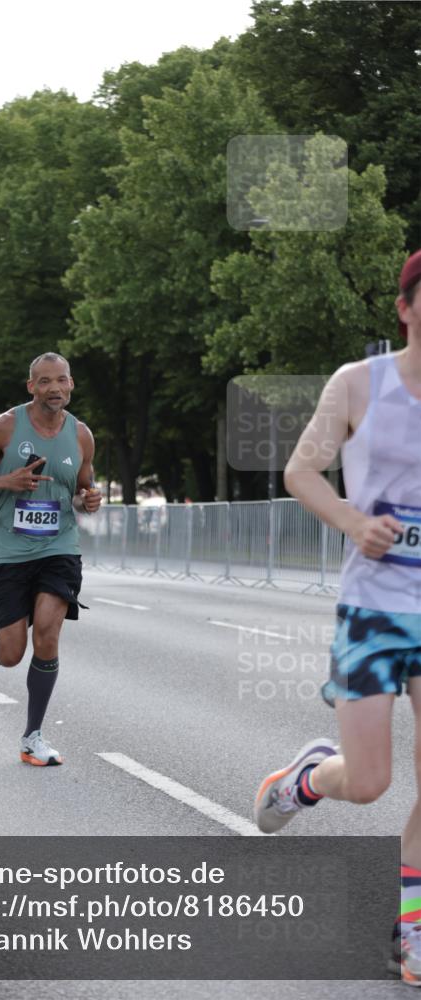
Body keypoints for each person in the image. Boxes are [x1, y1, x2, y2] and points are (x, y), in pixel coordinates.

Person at [253, 250, 421, 985]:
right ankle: (310, 779)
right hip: (372, 607)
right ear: (406, 308)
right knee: (373, 782)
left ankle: (411, 931)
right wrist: (354, 523)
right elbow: (299, 470)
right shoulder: (360, 384)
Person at [0, 352, 102, 766]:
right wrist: (5, 481)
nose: (55, 388)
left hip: (59, 549)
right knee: (13, 652)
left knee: (48, 635)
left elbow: (84, 485)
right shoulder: (5, 427)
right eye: (45, 381)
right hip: (9, 553)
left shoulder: (82, 435)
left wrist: (91, 498)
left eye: (62, 380)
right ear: (31, 386)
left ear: (71, 384)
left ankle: (32, 735)